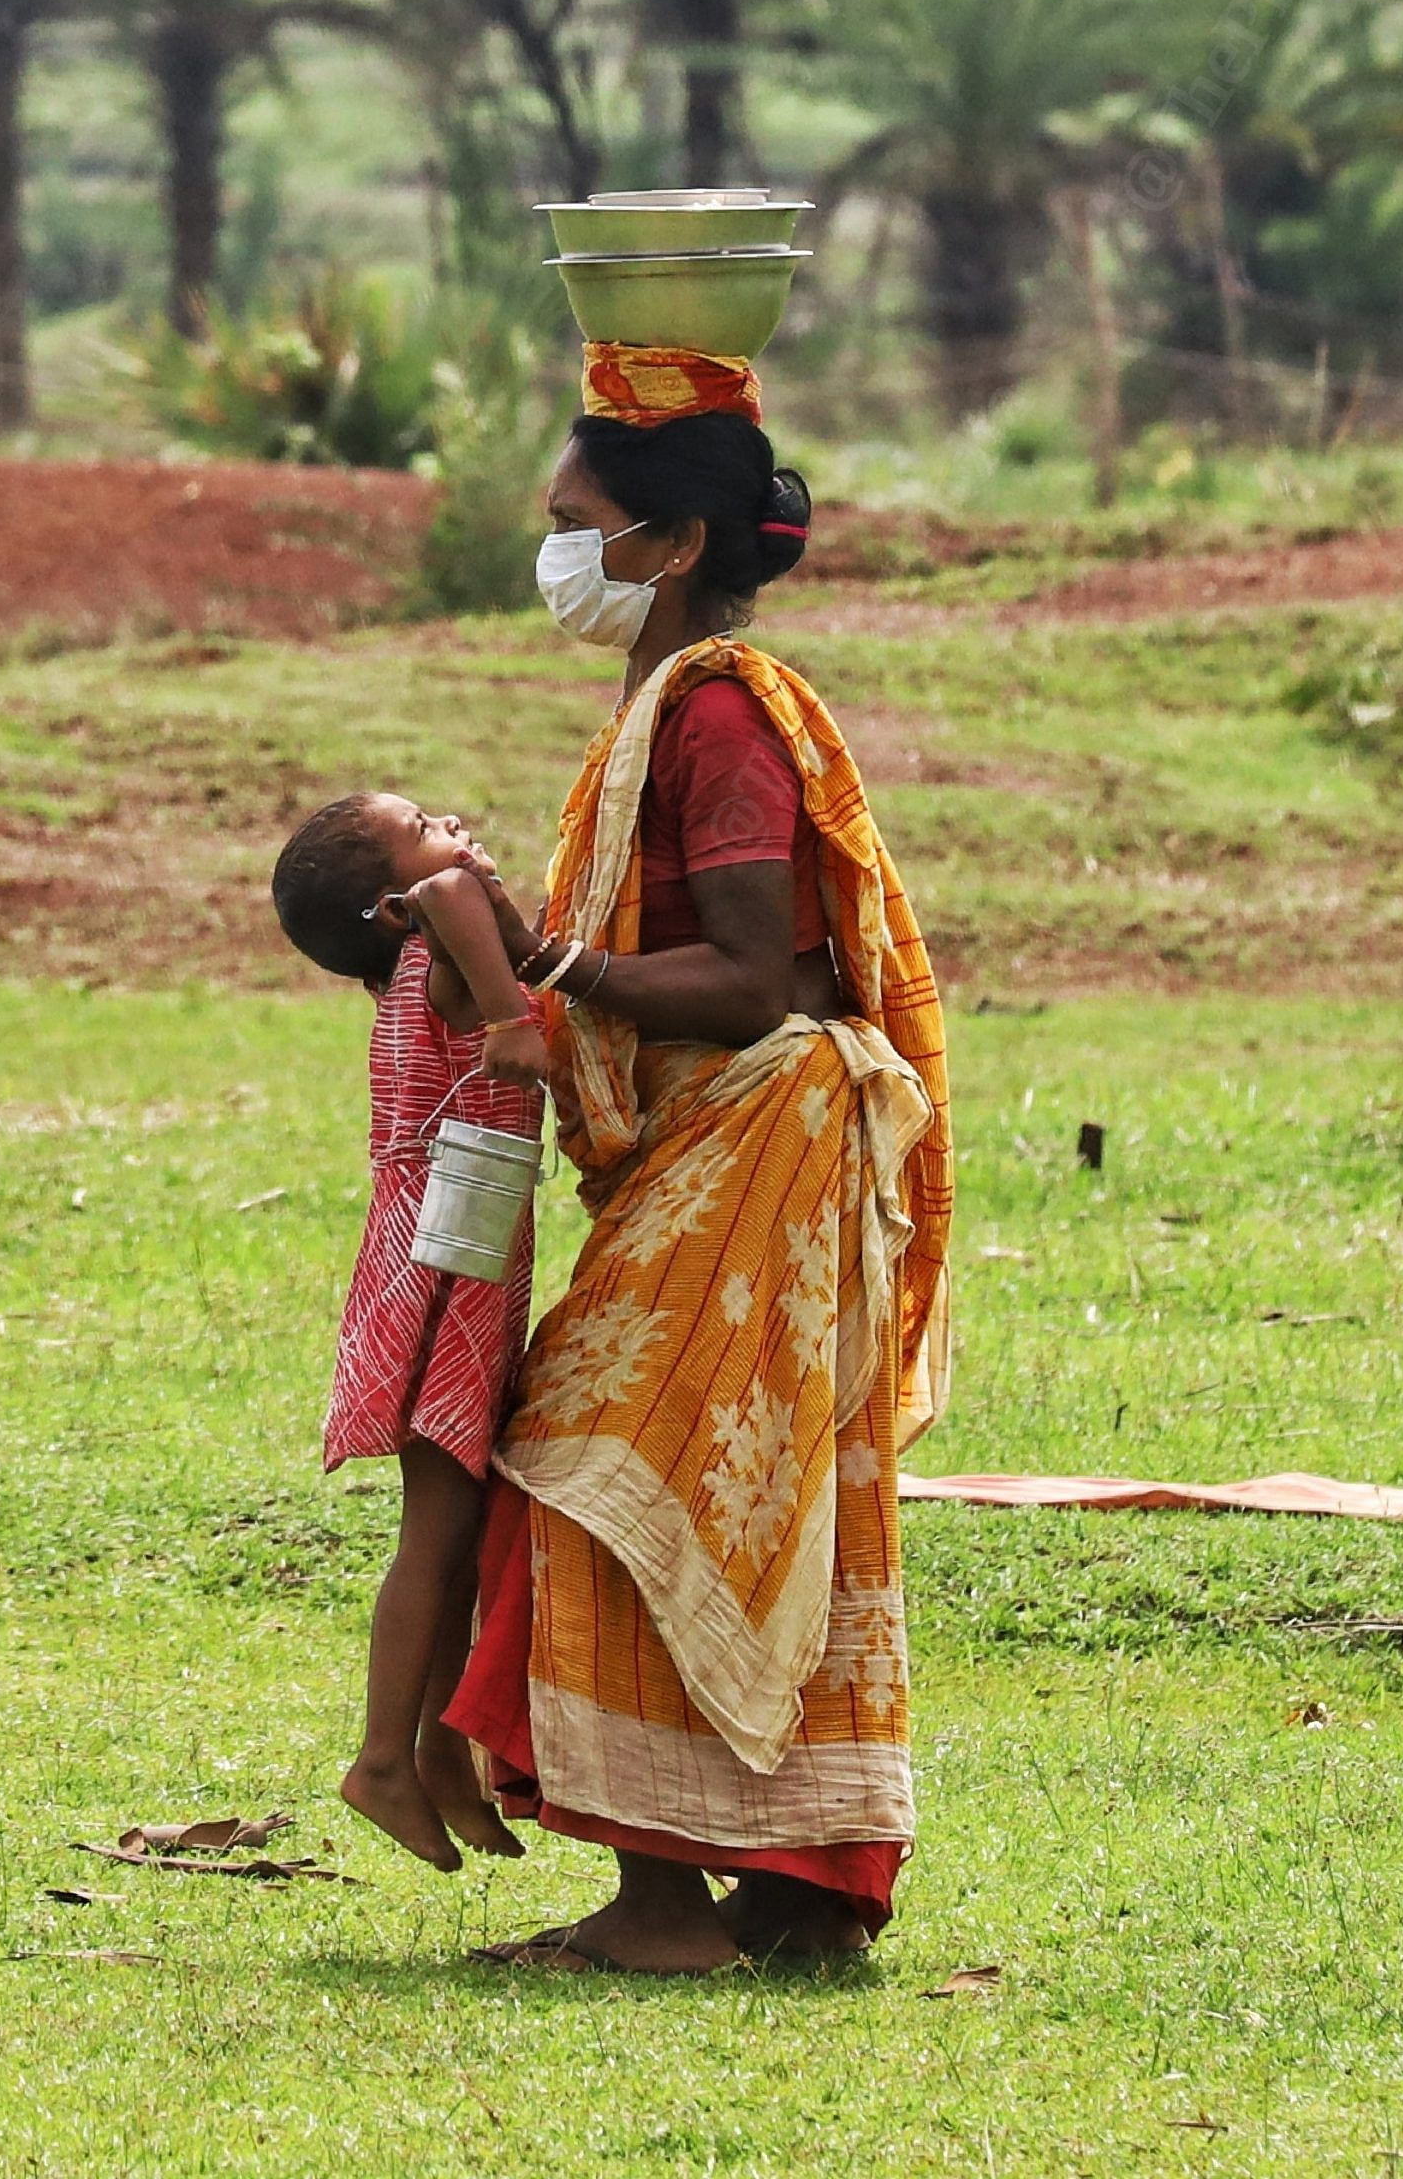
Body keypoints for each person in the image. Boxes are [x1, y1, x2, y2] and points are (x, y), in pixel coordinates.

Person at [443, 369, 955, 1975]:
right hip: (717, 1142)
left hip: (763, 1126)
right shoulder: (665, 702)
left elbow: (758, 981)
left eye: (574, 529)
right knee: (753, 1494)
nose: (555, 557)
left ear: (669, 545)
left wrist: (552, 963)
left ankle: (666, 1908)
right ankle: (797, 1890)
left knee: (602, 1466)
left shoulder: (721, 712)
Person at [271, 790, 547, 1873]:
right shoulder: (440, 957)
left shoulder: (417, 976)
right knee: (434, 1533)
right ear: (392, 907)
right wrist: (520, 1020)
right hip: (448, 1267)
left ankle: (438, 1748)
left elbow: (447, 889)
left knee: (459, 1522)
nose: (462, 829)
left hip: (451, 1254)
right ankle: (384, 1754)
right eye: (428, 820)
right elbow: (449, 890)